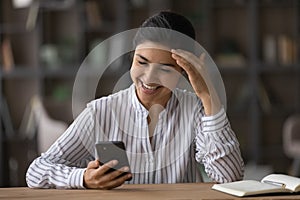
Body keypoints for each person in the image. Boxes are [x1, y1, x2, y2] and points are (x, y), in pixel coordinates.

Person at [26, 11, 244, 189]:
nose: (148, 78)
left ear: (184, 71)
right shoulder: (101, 111)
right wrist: (83, 178)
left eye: (165, 68)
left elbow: (230, 178)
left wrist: (207, 95)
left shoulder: (195, 109)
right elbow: (36, 171)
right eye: (142, 62)